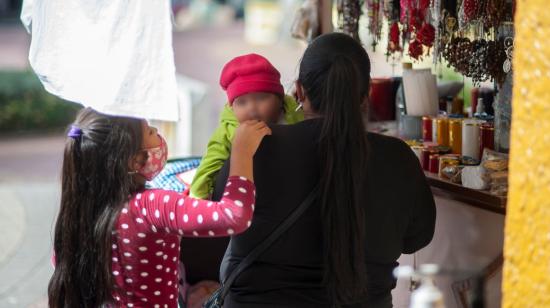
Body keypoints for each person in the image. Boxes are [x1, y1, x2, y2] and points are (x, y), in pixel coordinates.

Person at [212, 33, 436, 308]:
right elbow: (417, 238)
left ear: (299, 91)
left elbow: (218, 217)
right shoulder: (399, 158)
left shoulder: (254, 150)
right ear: (365, 94)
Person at [47, 107, 271, 308]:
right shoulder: (150, 205)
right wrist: (242, 152)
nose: (156, 131)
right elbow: (233, 215)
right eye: (150, 132)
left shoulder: (75, 216)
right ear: (135, 161)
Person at [190, 53, 303, 199]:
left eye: (261, 98)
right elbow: (209, 166)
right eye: (242, 102)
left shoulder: (296, 114)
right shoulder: (227, 131)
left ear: (280, 100)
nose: (251, 108)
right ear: (232, 107)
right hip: (248, 198)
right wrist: (200, 197)